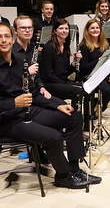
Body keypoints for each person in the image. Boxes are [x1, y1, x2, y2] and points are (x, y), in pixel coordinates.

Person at [0, 21, 101, 189]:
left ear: (12, 38)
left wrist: (57, 105)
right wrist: (13, 102)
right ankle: (63, 176)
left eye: (6, 36)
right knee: (53, 137)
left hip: (28, 110)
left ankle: (75, 170)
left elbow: (33, 92)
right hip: (8, 119)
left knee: (74, 117)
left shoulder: (20, 60)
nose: (3, 40)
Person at [79, 19, 110, 129]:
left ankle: (100, 104)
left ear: (100, 30)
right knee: (107, 91)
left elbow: (108, 63)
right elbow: (84, 68)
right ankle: (96, 106)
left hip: (104, 74)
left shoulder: (104, 44)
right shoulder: (84, 46)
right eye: (92, 28)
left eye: (97, 28)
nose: (95, 30)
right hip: (90, 76)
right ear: (87, 30)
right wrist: (99, 60)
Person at [39, 19, 83, 103]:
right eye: (61, 28)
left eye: (66, 29)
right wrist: (65, 83)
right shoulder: (49, 47)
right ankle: (74, 114)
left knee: (86, 88)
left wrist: (74, 64)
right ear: (55, 31)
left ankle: (87, 115)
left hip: (61, 81)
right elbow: (48, 74)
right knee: (79, 91)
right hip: (50, 84)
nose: (64, 31)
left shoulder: (66, 47)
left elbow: (65, 72)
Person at [12, 15, 51, 100]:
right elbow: (9, 82)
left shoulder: (34, 49)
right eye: (23, 28)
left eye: (30, 27)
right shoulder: (10, 52)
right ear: (15, 31)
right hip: (19, 97)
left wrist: (42, 87)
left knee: (65, 107)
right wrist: (27, 72)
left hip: (35, 93)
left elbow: (37, 76)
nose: (27, 30)